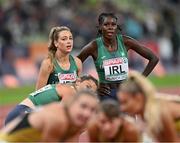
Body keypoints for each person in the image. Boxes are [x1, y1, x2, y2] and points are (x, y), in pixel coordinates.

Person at [78, 13, 159, 101]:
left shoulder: (126, 41)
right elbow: (74, 65)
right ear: (100, 27)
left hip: (126, 92)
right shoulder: (93, 46)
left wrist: (139, 81)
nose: (110, 27)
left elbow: (154, 58)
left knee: (129, 115)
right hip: (106, 95)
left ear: (117, 27)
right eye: (106, 25)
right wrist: (94, 85)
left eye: (113, 24)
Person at [0, 90, 99, 142]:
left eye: (92, 109)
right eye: (83, 106)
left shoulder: (74, 119)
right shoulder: (59, 119)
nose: (87, 113)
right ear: (72, 103)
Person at [5, 75, 98, 125]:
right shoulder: (71, 91)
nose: (88, 92)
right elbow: (62, 114)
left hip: (19, 112)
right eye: (88, 87)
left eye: (91, 91)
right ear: (78, 81)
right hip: (23, 114)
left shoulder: (63, 86)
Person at [117, 71, 179, 141]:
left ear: (138, 97)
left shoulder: (159, 112)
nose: (122, 108)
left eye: (125, 102)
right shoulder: (148, 113)